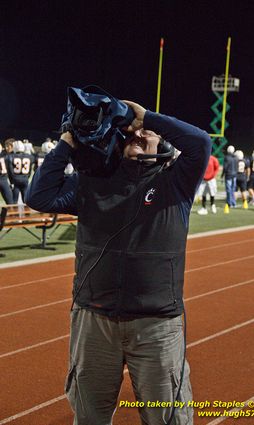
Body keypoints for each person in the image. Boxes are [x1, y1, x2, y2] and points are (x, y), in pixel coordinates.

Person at [26, 99, 211, 425]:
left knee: (168, 419)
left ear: (163, 142)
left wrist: (145, 116)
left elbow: (200, 143)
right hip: (94, 320)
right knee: (89, 417)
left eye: (147, 132)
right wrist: (69, 141)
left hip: (158, 326)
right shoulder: (92, 182)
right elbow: (38, 196)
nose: (138, 134)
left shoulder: (175, 182)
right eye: (131, 132)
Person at [221, 145, 238, 212]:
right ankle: (233, 203)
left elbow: (225, 167)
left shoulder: (227, 157)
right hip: (234, 175)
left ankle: (229, 203)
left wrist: (222, 175)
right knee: (233, 190)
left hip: (229, 175)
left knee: (229, 190)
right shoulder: (236, 157)